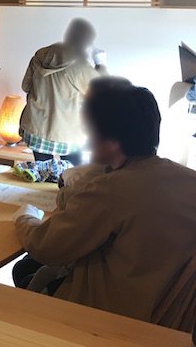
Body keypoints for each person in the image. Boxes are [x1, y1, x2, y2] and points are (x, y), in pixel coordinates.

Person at [13, 83, 196, 328]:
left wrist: (24, 218)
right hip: (171, 318)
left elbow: (45, 246)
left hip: (109, 317)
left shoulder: (113, 189)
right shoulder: (187, 178)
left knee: (27, 273)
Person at [20, 17, 106, 166]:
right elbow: (102, 94)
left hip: (36, 128)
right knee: (72, 175)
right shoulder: (80, 66)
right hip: (68, 134)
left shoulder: (39, 56)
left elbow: (26, 86)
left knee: (43, 173)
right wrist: (100, 64)